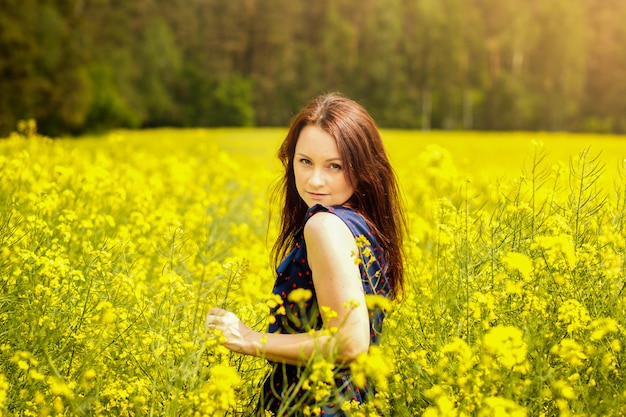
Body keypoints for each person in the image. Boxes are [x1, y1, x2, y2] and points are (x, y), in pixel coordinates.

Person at [205, 93, 407, 416]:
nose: (315, 179)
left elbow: (351, 342)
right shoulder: (364, 224)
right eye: (305, 161)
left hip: (318, 404)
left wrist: (251, 340)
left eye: (335, 166)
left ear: (362, 167)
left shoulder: (325, 227)